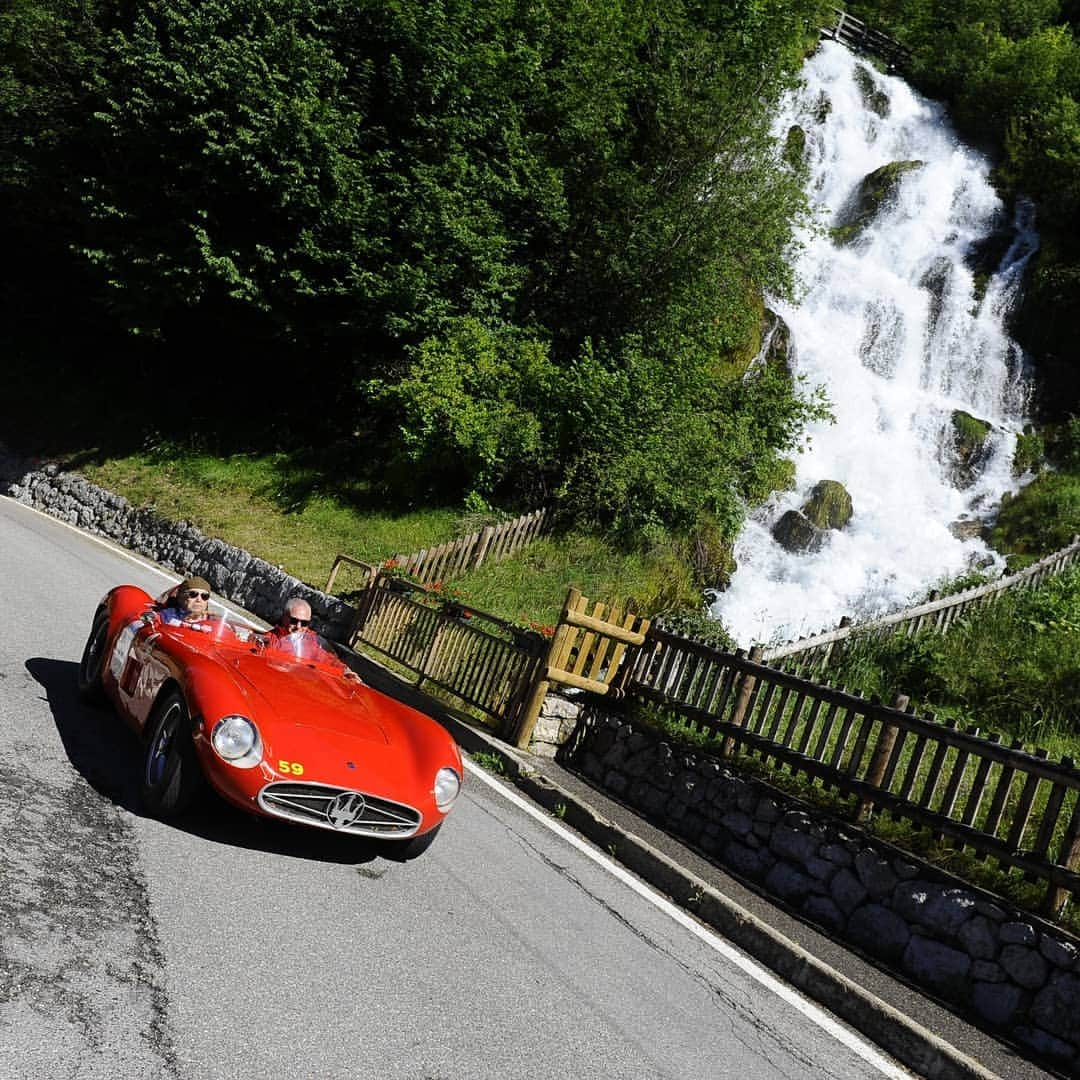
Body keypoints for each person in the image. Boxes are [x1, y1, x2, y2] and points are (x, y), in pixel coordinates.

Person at [264, 597, 362, 682]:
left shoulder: (312, 642)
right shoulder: (272, 639)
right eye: (294, 621)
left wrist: (346, 672)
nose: (298, 626)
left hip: (304, 687)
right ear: (284, 617)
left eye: (304, 623)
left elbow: (330, 660)